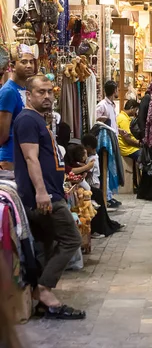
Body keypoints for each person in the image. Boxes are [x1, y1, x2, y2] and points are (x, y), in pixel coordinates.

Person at [13, 75, 85, 319]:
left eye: (49, 92)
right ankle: (43, 291)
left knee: (47, 245)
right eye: (40, 92)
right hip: (44, 197)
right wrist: (42, 191)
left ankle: (42, 299)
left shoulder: (37, 120)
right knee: (71, 239)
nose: (47, 97)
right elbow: (31, 158)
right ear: (29, 95)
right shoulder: (26, 120)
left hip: (50, 193)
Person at [0, 46, 36, 170]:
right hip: (10, 158)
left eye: (31, 62)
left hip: (24, 156)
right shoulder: (9, 91)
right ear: (13, 66)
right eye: (24, 62)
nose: (29, 65)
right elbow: (2, 134)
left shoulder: (25, 89)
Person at [81, 134, 123, 237]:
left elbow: (87, 172)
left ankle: (97, 229)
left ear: (89, 147)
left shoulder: (91, 159)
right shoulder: (94, 157)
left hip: (92, 184)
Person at [95, 80, 121, 209]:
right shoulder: (102, 105)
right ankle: (107, 196)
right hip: (106, 142)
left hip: (113, 138)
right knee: (106, 169)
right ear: (114, 90)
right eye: (117, 89)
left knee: (112, 170)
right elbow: (96, 123)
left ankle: (110, 195)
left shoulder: (112, 105)